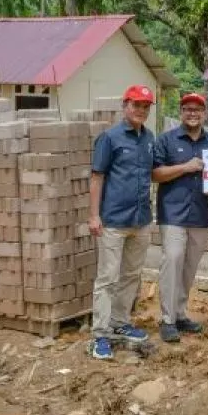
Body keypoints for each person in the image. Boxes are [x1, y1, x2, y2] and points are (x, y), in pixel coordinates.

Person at [87, 84, 156, 360]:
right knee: (107, 278)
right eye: (136, 104)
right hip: (114, 220)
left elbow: (152, 173)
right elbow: (97, 177)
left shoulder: (149, 138)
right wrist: (94, 215)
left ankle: (120, 322)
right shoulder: (109, 138)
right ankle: (100, 335)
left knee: (131, 276)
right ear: (125, 105)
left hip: (141, 220)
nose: (141, 110)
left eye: (145, 106)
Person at [152, 92, 208, 343]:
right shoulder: (167, 140)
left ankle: (180, 314)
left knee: (189, 267)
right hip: (173, 213)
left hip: (200, 213)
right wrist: (185, 167)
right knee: (172, 260)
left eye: (197, 109)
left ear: (204, 113)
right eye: (188, 109)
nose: (193, 113)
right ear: (181, 112)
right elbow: (155, 174)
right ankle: (168, 319)